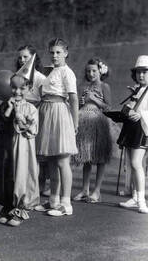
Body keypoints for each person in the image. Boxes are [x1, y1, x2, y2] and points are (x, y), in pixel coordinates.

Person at [0, 57, 40, 226]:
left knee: (20, 175)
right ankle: (7, 207)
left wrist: (20, 118)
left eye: (22, 88)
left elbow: (32, 130)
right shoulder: (4, 105)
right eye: (13, 88)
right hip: (5, 147)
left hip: (21, 148)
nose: (17, 92)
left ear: (29, 89)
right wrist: (10, 109)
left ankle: (20, 210)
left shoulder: (31, 108)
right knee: (5, 174)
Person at [34, 38, 78, 217]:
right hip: (46, 112)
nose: (55, 55)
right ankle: (53, 200)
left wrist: (75, 123)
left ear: (66, 53)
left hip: (59, 113)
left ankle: (66, 204)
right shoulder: (52, 71)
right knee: (51, 159)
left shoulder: (67, 72)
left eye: (58, 52)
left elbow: (73, 99)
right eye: (52, 52)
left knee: (61, 160)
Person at [72, 58, 112, 203]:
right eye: (88, 71)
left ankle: (97, 191)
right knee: (87, 157)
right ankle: (84, 189)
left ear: (100, 71)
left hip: (98, 122)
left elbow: (108, 107)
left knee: (100, 157)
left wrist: (94, 99)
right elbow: (77, 106)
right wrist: (82, 103)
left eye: (94, 70)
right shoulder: (83, 87)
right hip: (84, 122)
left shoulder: (104, 86)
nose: (91, 73)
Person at [15, 45, 50, 197]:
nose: (22, 60)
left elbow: (45, 99)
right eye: (20, 57)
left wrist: (31, 110)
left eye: (26, 57)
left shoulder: (40, 78)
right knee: (21, 152)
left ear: (33, 58)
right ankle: (21, 185)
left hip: (36, 114)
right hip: (18, 113)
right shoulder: (17, 76)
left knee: (38, 153)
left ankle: (39, 186)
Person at [117, 55, 148, 214]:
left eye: (145, 72)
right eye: (138, 72)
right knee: (134, 164)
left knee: (136, 163)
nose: (141, 75)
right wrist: (128, 109)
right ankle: (136, 196)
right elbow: (130, 107)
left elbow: (144, 111)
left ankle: (142, 201)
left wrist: (141, 114)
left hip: (144, 129)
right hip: (133, 129)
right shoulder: (137, 89)